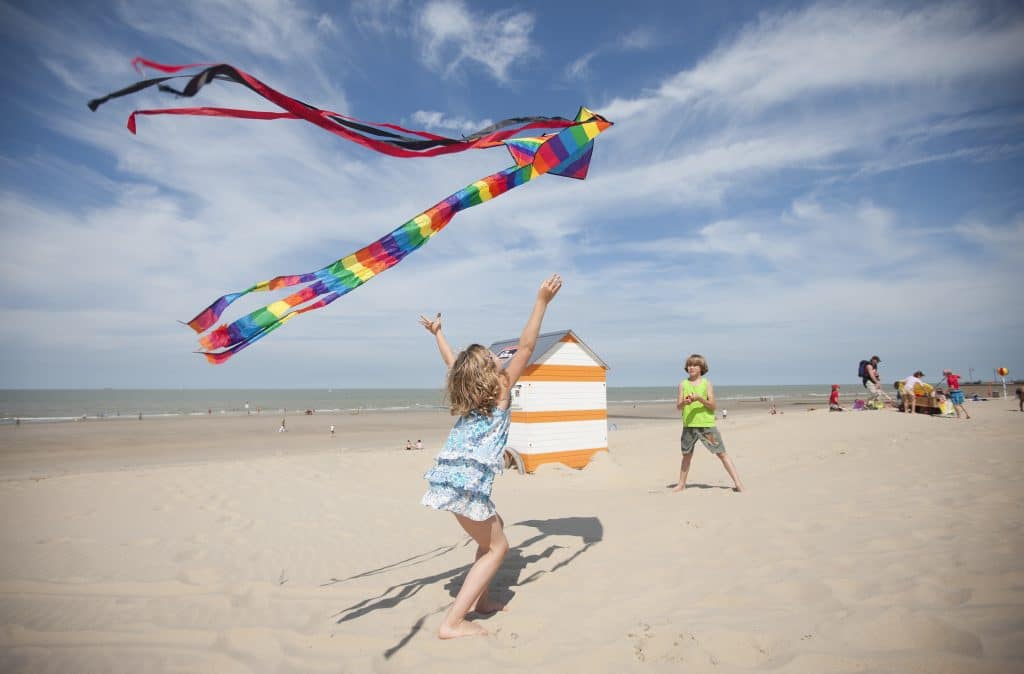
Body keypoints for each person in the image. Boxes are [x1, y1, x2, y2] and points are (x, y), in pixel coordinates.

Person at [418, 273, 563, 639]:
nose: (501, 358)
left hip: (455, 482)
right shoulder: (500, 391)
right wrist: (542, 302)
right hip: (465, 486)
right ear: (489, 373)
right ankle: (452, 622)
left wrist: (438, 335)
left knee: (488, 540)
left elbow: (454, 364)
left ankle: (481, 604)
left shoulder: (469, 396)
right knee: (499, 547)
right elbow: (527, 347)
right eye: (493, 358)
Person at [673, 354, 745, 493]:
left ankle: (738, 483)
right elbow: (678, 407)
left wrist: (700, 398)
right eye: (689, 365)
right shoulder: (683, 384)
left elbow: (712, 406)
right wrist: (685, 402)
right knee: (686, 455)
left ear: (701, 368)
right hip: (689, 425)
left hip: (706, 425)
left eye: (694, 365)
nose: (691, 367)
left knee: (721, 453)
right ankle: (681, 484)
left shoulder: (707, 383)